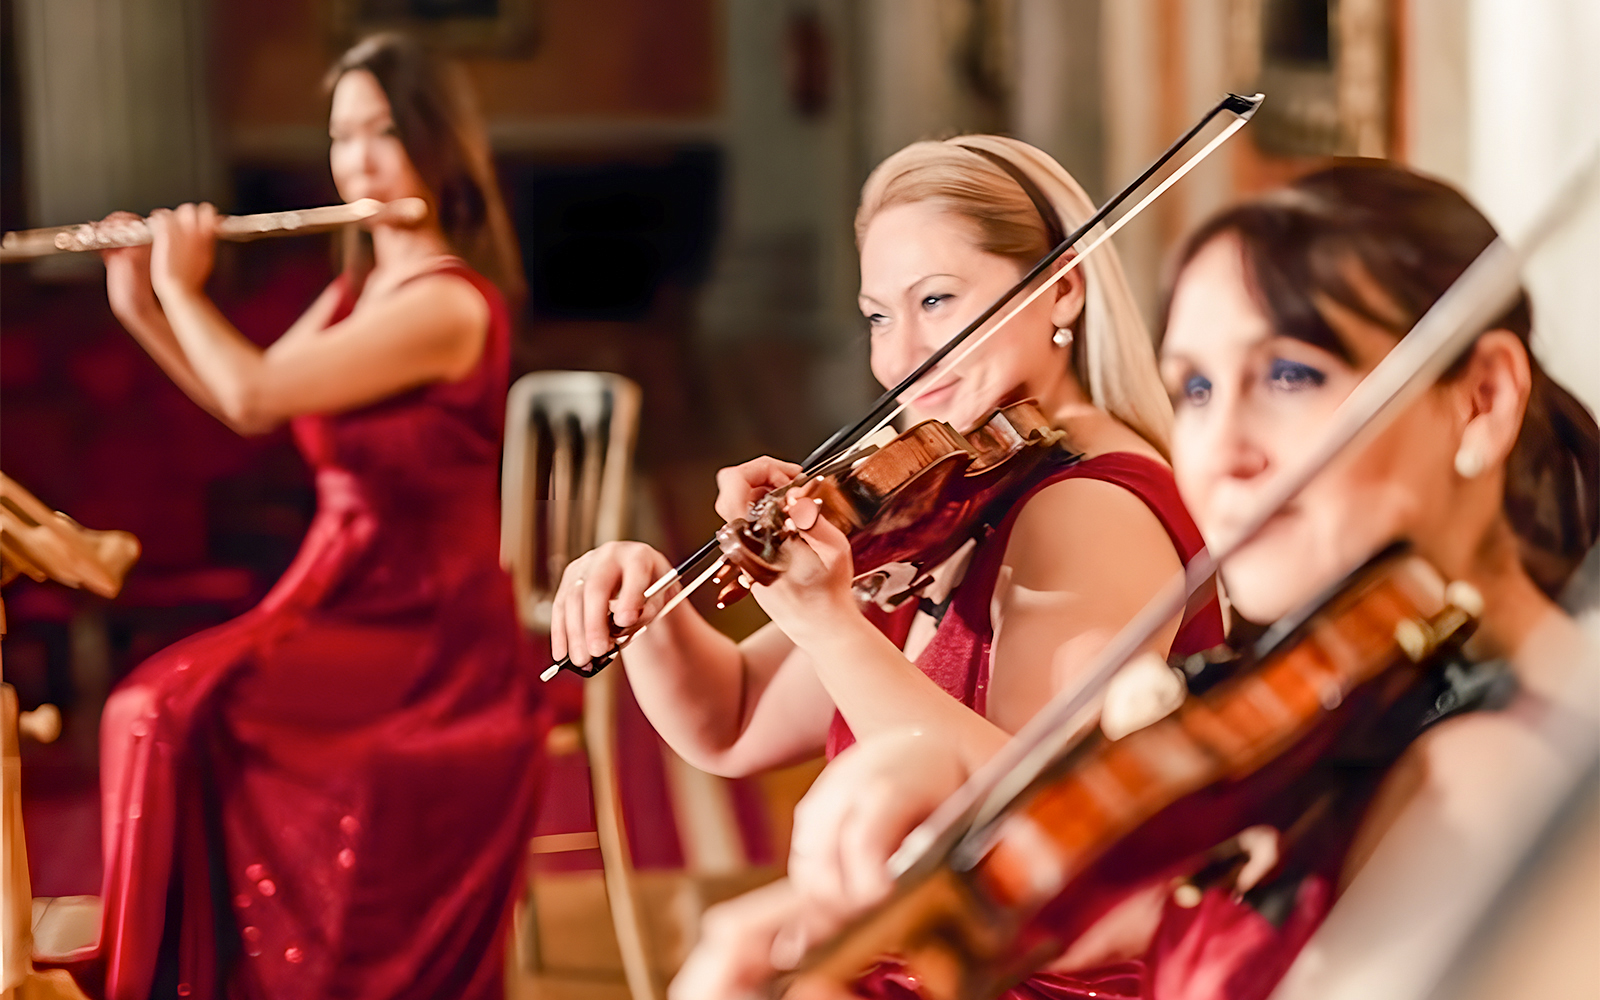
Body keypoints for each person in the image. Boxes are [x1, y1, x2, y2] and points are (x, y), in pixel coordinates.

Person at [671, 161, 1599, 1000]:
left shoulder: (1498, 779)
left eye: (1288, 374)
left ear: (1481, 402)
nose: (1221, 453)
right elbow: (1164, 911)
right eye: (1195, 388)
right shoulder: (1350, 709)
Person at [552, 135, 1222, 998]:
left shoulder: (1088, 506)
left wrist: (831, 622)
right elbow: (735, 719)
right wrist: (646, 596)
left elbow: (1033, 829)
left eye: (936, 300)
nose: (901, 356)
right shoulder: (952, 497)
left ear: (1063, 285)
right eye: (878, 316)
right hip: (915, 952)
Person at [82, 34, 541, 1000]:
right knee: (152, 712)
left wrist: (179, 285)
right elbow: (242, 403)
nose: (357, 160)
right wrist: (142, 307)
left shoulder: (448, 305)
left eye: (382, 132)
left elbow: (252, 392)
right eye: (341, 136)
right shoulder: (353, 290)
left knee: (160, 712)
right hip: (345, 588)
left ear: (436, 145)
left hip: (430, 629)